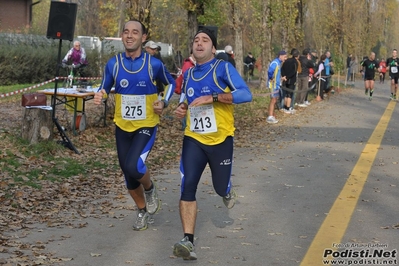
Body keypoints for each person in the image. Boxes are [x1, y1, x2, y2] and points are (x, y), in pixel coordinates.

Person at [172, 27, 252, 260]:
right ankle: (187, 240)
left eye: (205, 40)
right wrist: (182, 108)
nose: (199, 43)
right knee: (187, 187)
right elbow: (187, 101)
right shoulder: (188, 74)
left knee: (219, 187)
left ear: (213, 48)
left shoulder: (223, 68)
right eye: (196, 40)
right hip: (194, 138)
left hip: (221, 140)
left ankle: (226, 190)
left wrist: (214, 97)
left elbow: (246, 95)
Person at [93, 20, 176, 231]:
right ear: (122, 36)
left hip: (146, 125)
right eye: (126, 32)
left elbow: (172, 83)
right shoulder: (113, 63)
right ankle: (142, 211)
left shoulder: (153, 64)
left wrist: (163, 102)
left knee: (134, 166)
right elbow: (104, 88)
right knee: (128, 174)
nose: (130, 36)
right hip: (122, 126)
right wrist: (100, 96)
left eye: (135, 32)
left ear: (143, 37)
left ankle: (149, 188)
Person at [266, 50, 287, 124]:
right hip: (273, 85)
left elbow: (277, 73)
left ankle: (272, 115)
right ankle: (270, 117)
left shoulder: (279, 63)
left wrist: (281, 78)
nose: (285, 58)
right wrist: (271, 78)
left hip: (277, 85)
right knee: (273, 100)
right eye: (285, 57)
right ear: (280, 56)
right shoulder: (275, 62)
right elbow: (270, 71)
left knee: (275, 100)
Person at [281, 48, 300, 114]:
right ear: (297, 55)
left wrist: (284, 76)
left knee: (286, 94)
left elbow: (282, 69)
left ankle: (285, 107)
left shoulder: (287, 60)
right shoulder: (295, 62)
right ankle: (288, 108)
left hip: (285, 79)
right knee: (290, 94)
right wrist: (288, 77)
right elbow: (293, 71)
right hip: (291, 80)